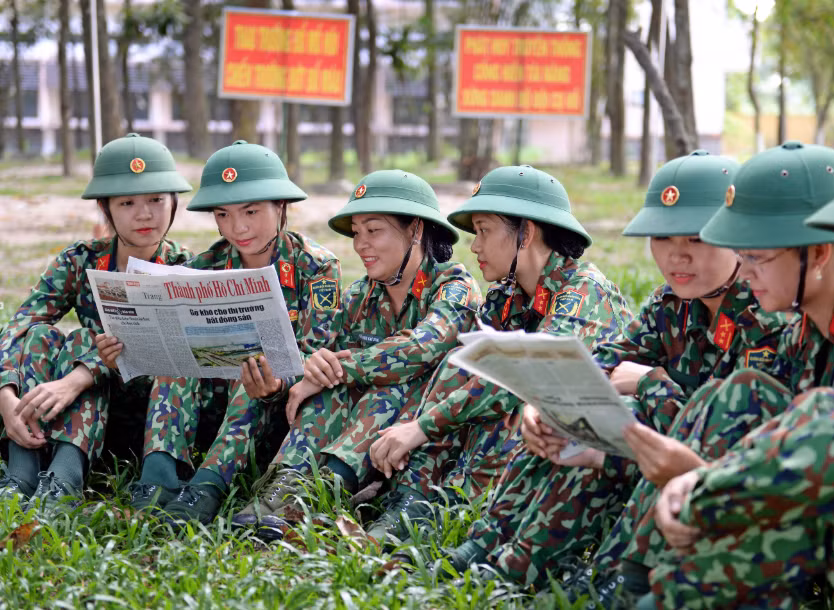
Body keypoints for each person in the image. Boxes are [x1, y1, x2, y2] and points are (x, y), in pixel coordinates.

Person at [558, 142, 834, 608]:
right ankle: (630, 576)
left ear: (820, 253)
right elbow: (754, 438)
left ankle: (641, 581)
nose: (746, 269)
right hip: (805, 510)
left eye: (757, 256)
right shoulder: (803, 329)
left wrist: (704, 482)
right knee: (728, 395)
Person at [440, 150, 790, 587]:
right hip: (652, 459)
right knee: (567, 423)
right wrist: (546, 403)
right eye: (662, 240)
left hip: (716, 481)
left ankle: (591, 575)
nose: (677, 257)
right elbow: (604, 359)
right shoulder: (671, 306)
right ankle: (493, 544)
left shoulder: (767, 318)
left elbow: (721, 430)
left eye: (696, 239)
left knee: (627, 421)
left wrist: (650, 383)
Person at [362, 165, 632, 546]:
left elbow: (528, 380)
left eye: (484, 230)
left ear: (527, 233)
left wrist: (421, 427)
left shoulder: (583, 292)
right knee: (457, 367)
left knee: (514, 405)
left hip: (592, 447)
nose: (474, 246)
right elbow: (466, 371)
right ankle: (413, 500)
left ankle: (457, 509)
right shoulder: (509, 297)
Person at [96, 140, 341, 525]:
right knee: (174, 359)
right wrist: (125, 352)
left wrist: (277, 383)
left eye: (251, 211)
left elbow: (317, 354)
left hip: (278, 415)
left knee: (254, 366)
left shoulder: (318, 268)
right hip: (211, 413)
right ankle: (157, 476)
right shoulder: (204, 265)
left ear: (281, 206)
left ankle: (208, 485)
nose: (237, 227)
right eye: (223, 214)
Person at [231, 169, 482, 540]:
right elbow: (323, 353)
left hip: (426, 438)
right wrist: (314, 369)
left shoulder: (454, 287)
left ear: (415, 230)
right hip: (369, 439)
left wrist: (339, 366)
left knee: (387, 379)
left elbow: (421, 347)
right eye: (357, 233)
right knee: (329, 380)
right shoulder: (362, 294)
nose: (361, 244)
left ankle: (325, 488)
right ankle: (287, 484)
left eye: (374, 230)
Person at [0, 133, 193, 509]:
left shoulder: (187, 270)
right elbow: (19, 327)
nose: (144, 214)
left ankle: (65, 480)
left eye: (156, 199)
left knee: (87, 340)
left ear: (174, 204)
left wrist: (79, 376)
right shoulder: (81, 261)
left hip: (151, 424)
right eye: (127, 202)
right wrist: (5, 394)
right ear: (106, 208)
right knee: (41, 335)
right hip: (85, 416)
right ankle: (22, 470)